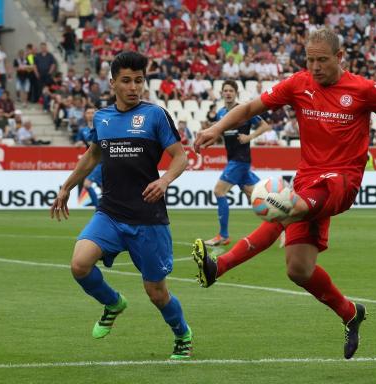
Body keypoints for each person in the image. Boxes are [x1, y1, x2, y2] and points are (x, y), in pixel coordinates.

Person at [192, 28, 376, 360]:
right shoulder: (298, 84)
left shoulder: (364, 90)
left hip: (341, 182)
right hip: (308, 181)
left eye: (322, 60)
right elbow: (250, 108)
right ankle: (350, 312)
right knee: (298, 269)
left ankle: (219, 266)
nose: (316, 66)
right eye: (310, 60)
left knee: (285, 206)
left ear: (340, 57)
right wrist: (216, 128)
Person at [49, 51, 193, 359]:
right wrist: (65, 187)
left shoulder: (155, 115)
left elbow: (180, 157)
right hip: (111, 213)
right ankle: (113, 303)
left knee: (156, 292)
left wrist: (165, 180)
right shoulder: (103, 118)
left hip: (147, 217)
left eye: (139, 81)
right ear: (112, 82)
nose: (133, 87)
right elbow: (92, 156)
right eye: (126, 81)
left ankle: (182, 334)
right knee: (79, 264)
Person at [204, 80, 272, 246]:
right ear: (222, 93)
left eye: (231, 91)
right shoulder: (220, 113)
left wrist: (249, 137)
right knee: (259, 197)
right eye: (225, 90)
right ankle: (286, 225)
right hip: (234, 160)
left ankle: (223, 235)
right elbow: (219, 133)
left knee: (219, 191)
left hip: (240, 160)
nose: (228, 93)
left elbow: (265, 126)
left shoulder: (243, 111)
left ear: (236, 93)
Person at [75, 106, 103, 207]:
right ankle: (105, 210)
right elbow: (78, 142)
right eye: (88, 113)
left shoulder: (102, 127)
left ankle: (98, 209)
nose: (90, 115)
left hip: (103, 161)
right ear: (85, 115)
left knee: (87, 183)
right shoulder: (83, 130)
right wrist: (78, 144)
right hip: (92, 162)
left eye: (92, 113)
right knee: (104, 188)